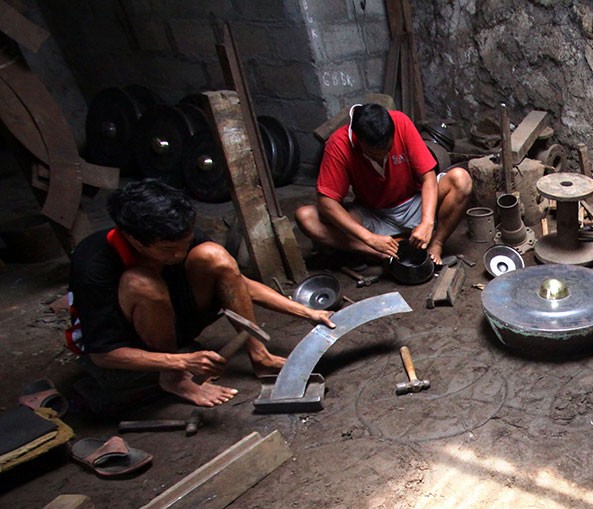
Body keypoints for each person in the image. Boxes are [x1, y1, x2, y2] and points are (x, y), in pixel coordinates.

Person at [66, 179, 335, 409]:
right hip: (130, 340)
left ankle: (260, 357)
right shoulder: (94, 264)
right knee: (142, 283)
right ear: (133, 238)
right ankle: (174, 379)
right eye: (168, 249)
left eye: (183, 244)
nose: (179, 254)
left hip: (173, 320)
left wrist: (306, 312)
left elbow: (238, 282)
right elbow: (102, 354)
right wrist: (182, 361)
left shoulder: (178, 233)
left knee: (214, 256)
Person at [295, 103, 472, 267]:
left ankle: (436, 244)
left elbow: (428, 177)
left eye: (386, 150)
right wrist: (369, 238)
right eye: (374, 153)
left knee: (461, 179)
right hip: (373, 214)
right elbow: (327, 203)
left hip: (413, 204)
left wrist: (427, 222)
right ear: (358, 140)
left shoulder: (401, 123)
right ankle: (377, 252)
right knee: (306, 217)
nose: (382, 157)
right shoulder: (339, 144)